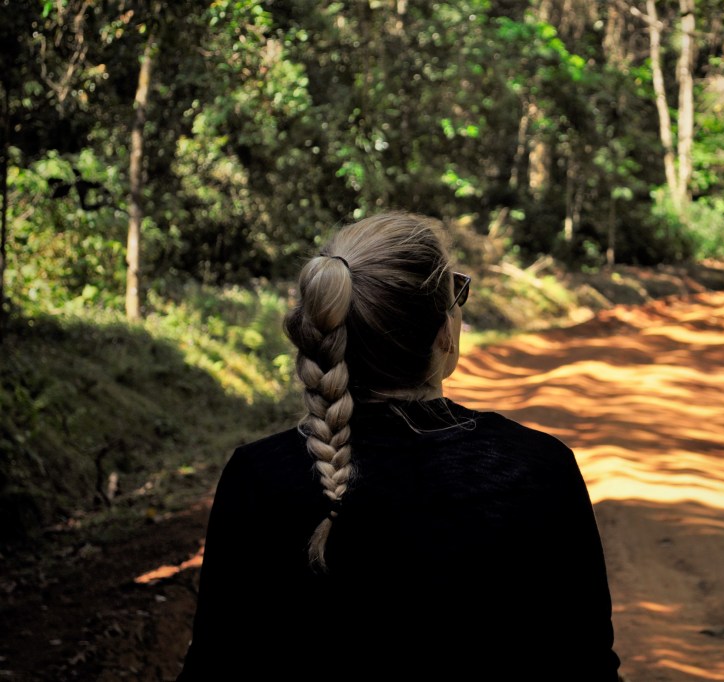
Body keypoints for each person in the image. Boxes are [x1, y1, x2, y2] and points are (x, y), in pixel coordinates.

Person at [177, 212, 620, 680]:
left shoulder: (257, 478)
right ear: (444, 331)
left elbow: (215, 665)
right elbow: (587, 664)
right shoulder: (538, 469)